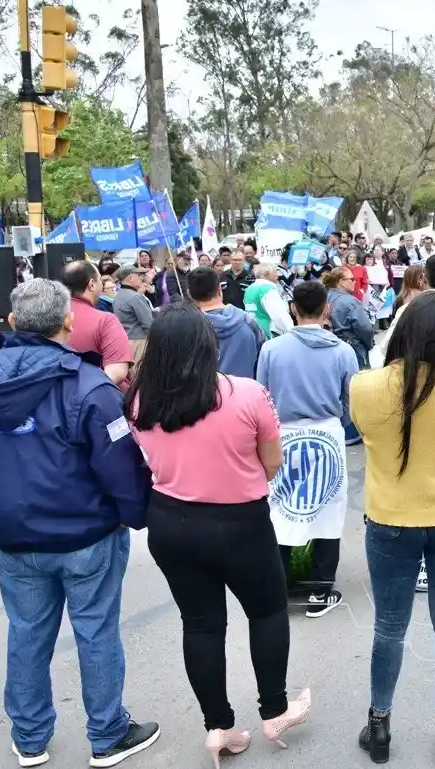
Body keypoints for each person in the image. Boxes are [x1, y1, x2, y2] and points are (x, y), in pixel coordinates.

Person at [0, 279, 159, 767]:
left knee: (27, 631)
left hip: (17, 538)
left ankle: (31, 735)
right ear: (69, 323)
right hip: (86, 536)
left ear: (13, 323)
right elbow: (122, 469)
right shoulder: (89, 386)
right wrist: (135, 516)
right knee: (95, 631)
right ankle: (107, 732)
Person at [128, 306, 311, 762]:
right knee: (267, 612)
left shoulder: (138, 400)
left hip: (170, 521)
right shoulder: (247, 394)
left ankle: (219, 725)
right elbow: (272, 463)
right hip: (239, 522)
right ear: (208, 347)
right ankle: (274, 710)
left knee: (202, 625)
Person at [350, 295, 435, 765]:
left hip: (389, 521)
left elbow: (366, 436)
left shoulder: (364, 386)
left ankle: (379, 723)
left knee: (389, 626)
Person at [257, 281, 359, 618]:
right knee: (329, 507)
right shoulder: (344, 352)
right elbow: (352, 401)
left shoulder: (272, 350)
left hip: (283, 435)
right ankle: (320, 588)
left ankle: (279, 586)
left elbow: (262, 397)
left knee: (282, 508)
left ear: (293, 309)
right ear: (327, 308)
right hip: (327, 433)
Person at [63, 260, 134, 387]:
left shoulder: (50, 317)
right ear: (91, 284)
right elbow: (117, 373)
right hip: (95, 401)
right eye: (100, 280)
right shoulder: (105, 321)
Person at [189, 266, 266, 379]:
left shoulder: (187, 328)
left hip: (205, 394)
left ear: (189, 294)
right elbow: (262, 359)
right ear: (219, 288)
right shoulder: (248, 321)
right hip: (246, 393)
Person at [113, 265, 155, 367]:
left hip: (126, 341)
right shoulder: (135, 297)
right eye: (139, 275)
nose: (142, 277)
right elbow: (149, 325)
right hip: (139, 343)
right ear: (130, 278)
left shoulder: (119, 295)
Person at [244, 263, 294, 339]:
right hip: (268, 334)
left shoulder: (249, 289)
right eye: (275, 272)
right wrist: (292, 332)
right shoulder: (268, 290)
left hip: (251, 332)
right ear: (267, 274)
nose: (278, 275)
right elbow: (280, 316)